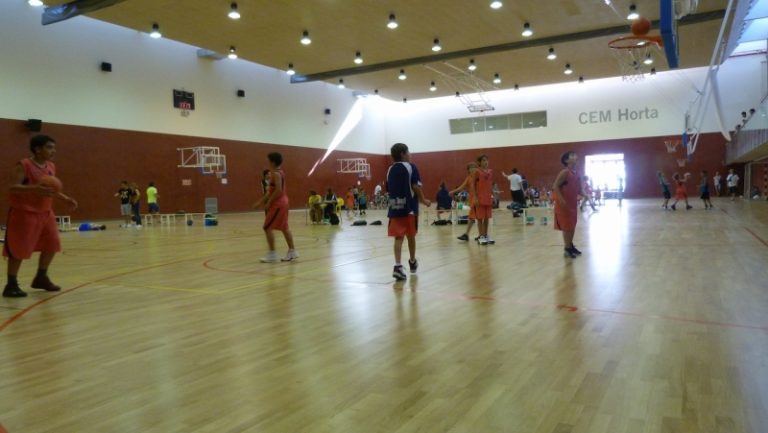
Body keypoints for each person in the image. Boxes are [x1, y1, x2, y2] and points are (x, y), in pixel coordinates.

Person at [3, 135, 78, 298]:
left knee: (52, 244)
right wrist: (34, 189)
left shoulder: (50, 166)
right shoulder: (24, 165)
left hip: (45, 212)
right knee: (19, 248)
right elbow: (12, 187)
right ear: (37, 149)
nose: (54, 151)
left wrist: (65, 199)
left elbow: (51, 190)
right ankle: (11, 284)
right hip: (24, 212)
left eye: (54, 147)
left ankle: (41, 277)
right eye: (49, 147)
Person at [387, 143, 430, 281]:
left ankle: (397, 266)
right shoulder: (411, 167)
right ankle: (412, 261)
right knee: (411, 236)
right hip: (409, 208)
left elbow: (389, 189)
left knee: (398, 238)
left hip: (394, 208)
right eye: (408, 152)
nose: (410, 154)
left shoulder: (390, 169)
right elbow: (415, 186)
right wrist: (423, 200)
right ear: (403, 154)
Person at [253, 152, 298, 262]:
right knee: (284, 227)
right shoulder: (279, 172)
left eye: (268, 160)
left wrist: (269, 202)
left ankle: (272, 254)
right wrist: (260, 202)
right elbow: (270, 191)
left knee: (267, 227)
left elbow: (278, 190)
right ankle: (292, 251)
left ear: (272, 162)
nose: (267, 162)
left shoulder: (276, 174)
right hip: (283, 202)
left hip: (278, 204)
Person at [553, 151, 582, 258]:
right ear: (566, 160)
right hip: (563, 205)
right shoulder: (565, 172)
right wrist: (561, 199)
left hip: (572, 204)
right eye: (572, 156)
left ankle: (570, 245)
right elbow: (555, 186)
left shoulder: (577, 173)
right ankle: (567, 248)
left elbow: (579, 188)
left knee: (572, 225)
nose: (575, 156)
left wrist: (583, 194)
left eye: (575, 155)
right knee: (566, 227)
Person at [470, 154, 494, 245]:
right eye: (483, 160)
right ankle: (481, 236)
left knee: (487, 217)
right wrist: (475, 197)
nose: (486, 162)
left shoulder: (490, 171)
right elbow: (473, 185)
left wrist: (492, 194)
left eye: (487, 160)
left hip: (488, 197)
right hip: (479, 198)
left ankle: (486, 235)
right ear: (479, 162)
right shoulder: (477, 171)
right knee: (480, 218)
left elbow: (489, 184)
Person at [450, 162, 478, 241]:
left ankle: (474, 235)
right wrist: (453, 191)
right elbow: (461, 187)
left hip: (478, 200)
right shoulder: (468, 178)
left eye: (474, 167)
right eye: (470, 168)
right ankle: (473, 235)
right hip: (472, 201)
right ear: (468, 170)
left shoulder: (479, 177)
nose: (472, 169)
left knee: (476, 218)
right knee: (473, 218)